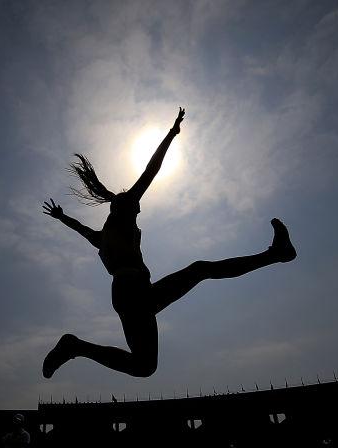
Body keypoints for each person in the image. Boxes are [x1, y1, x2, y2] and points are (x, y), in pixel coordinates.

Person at [41, 107, 296, 378]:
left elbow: (80, 229)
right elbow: (151, 170)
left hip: (130, 293)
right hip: (135, 292)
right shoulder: (125, 211)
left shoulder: (103, 236)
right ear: (128, 205)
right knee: (200, 270)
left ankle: (76, 346)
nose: (139, 209)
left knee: (145, 365)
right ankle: (276, 254)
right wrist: (171, 134)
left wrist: (62, 217)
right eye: (136, 206)